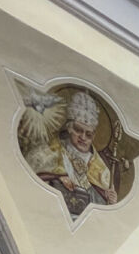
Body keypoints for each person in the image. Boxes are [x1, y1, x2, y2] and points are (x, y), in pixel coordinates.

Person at [26, 89, 118, 218]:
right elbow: (31, 183)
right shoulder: (48, 154)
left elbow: (101, 212)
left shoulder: (103, 172)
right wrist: (57, 179)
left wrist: (111, 201)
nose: (83, 137)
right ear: (69, 127)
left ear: (94, 136)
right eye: (78, 130)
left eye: (88, 134)